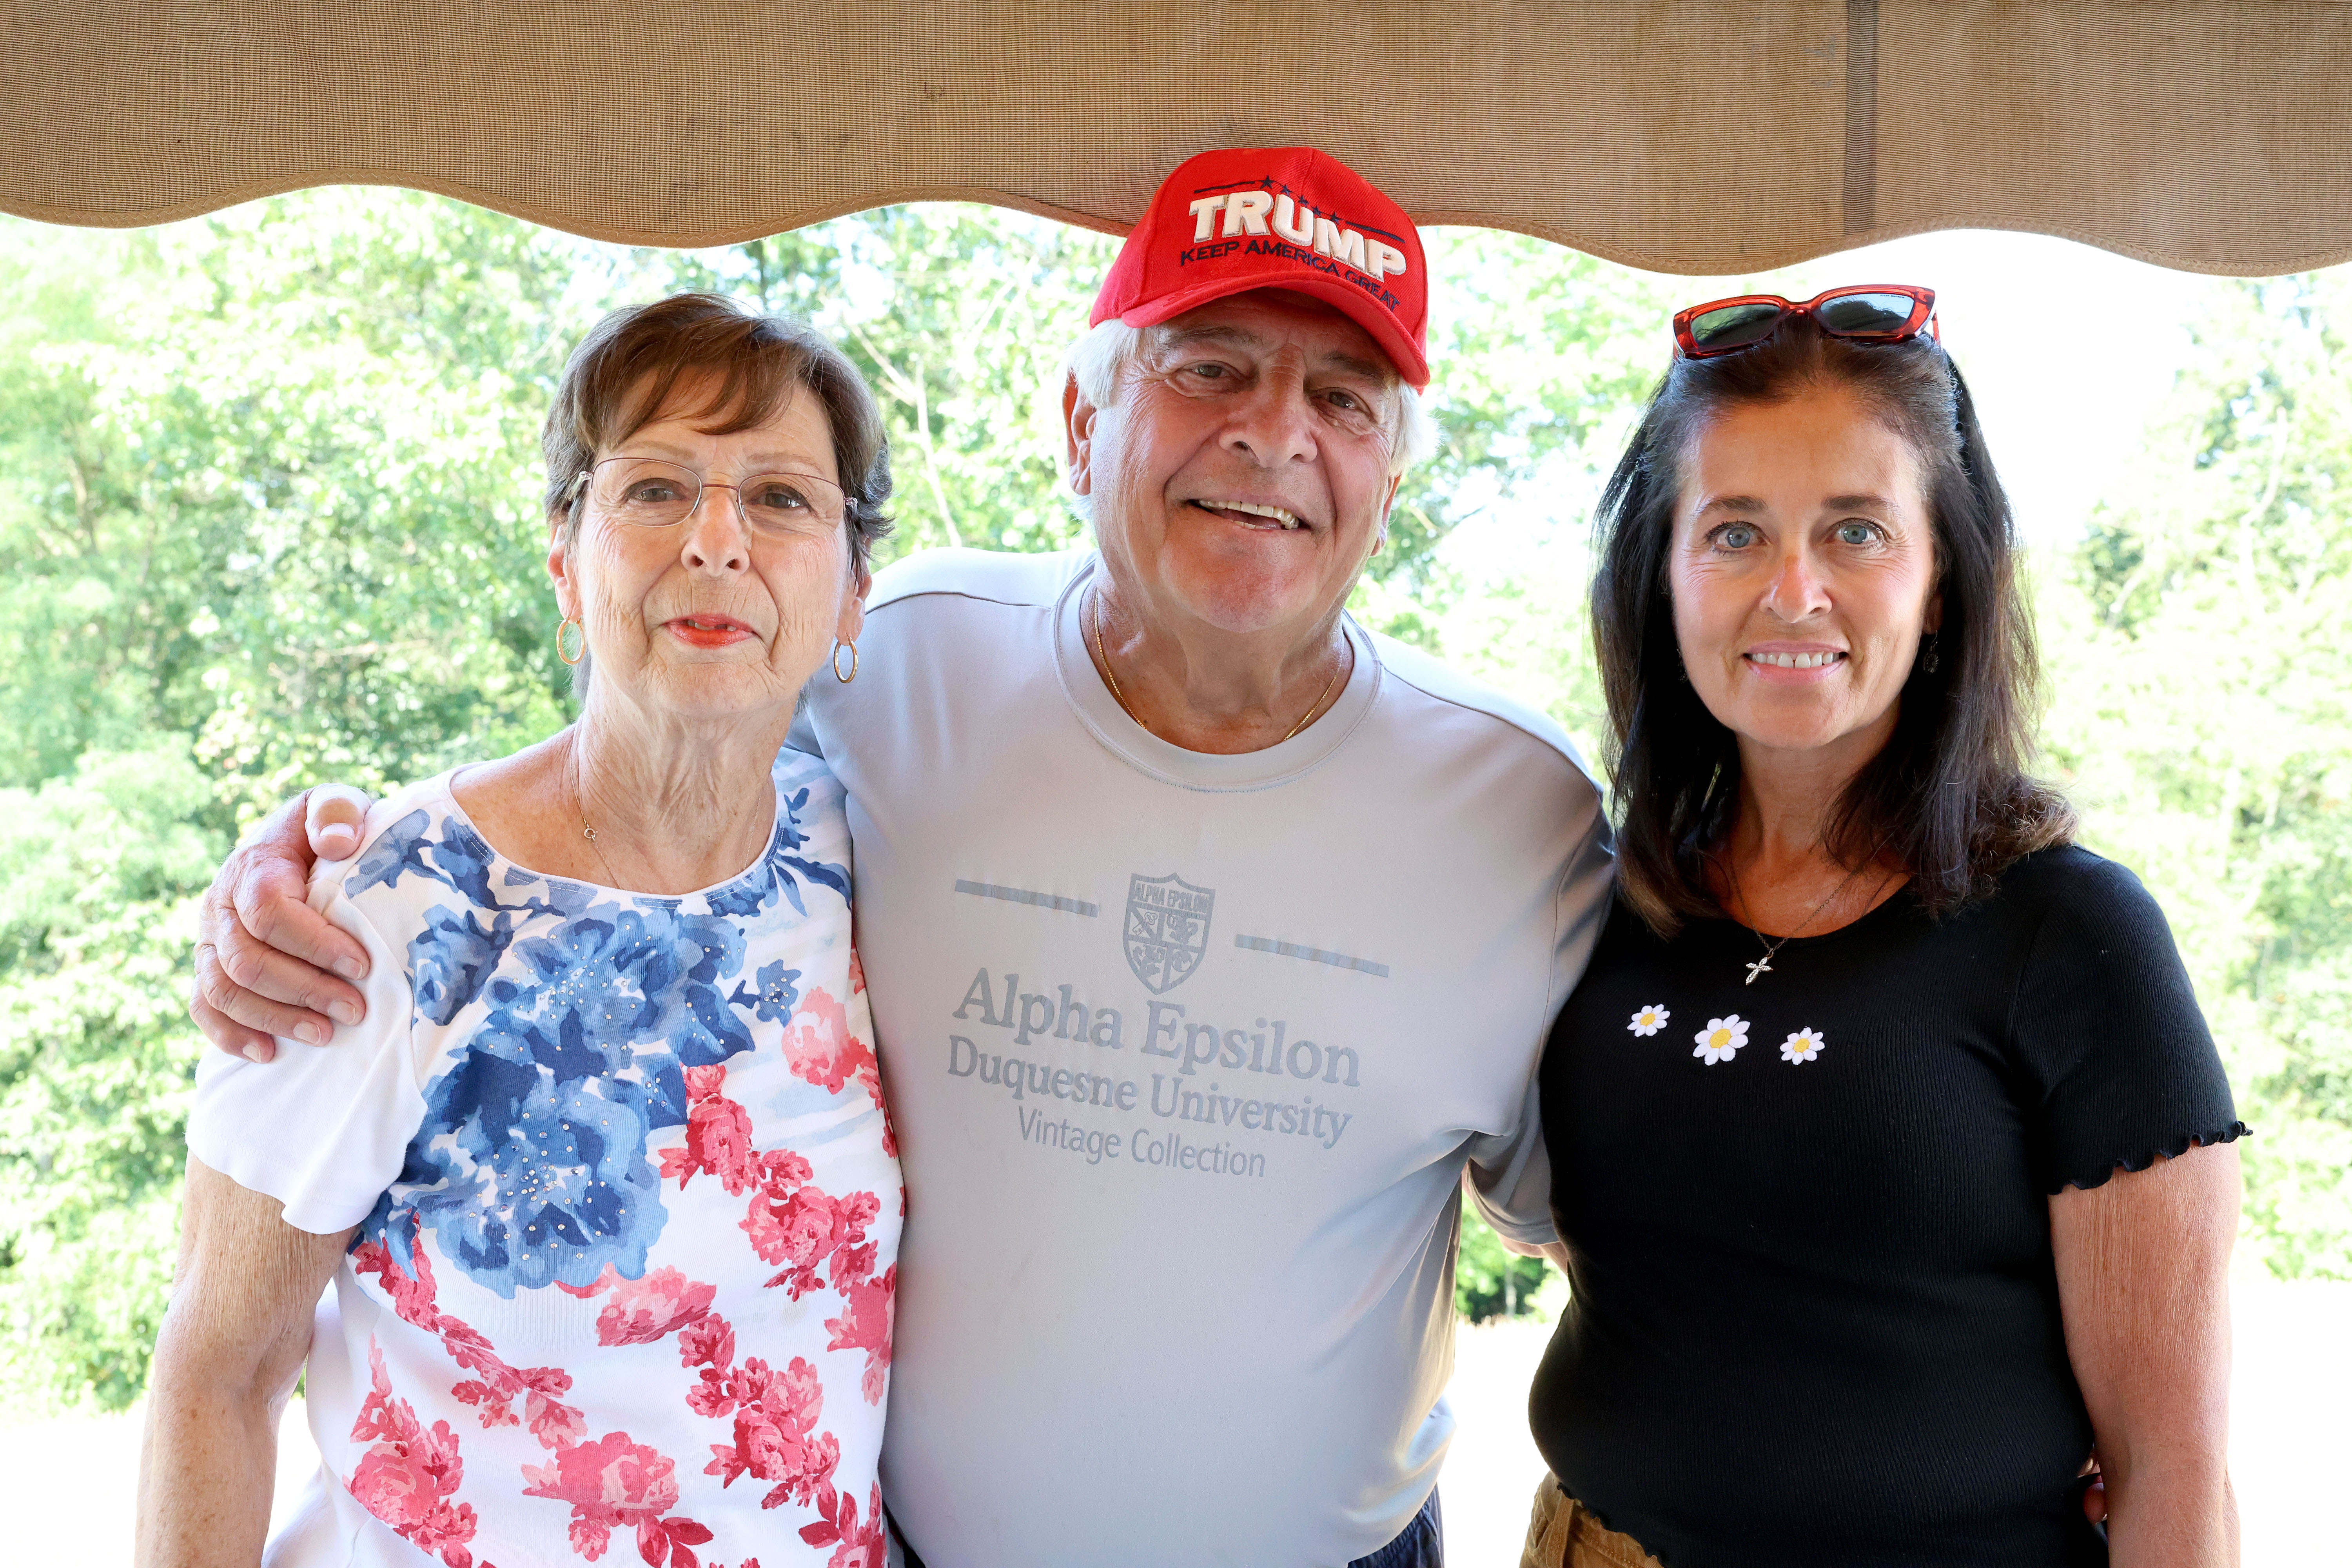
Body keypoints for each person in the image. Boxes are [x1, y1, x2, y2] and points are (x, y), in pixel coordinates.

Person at [183, 147, 1614, 1567]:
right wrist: (315, 865)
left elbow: (1635, 1216)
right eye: (1209, 366)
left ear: (1394, 477)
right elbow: (644, 744)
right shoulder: (912, 662)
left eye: (1344, 398)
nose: (1273, 432)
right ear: (1079, 418)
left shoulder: (1521, 815)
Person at [139, 294, 904, 1568]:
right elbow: (216, 1381)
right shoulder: (397, 903)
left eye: (782, 499)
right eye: (656, 489)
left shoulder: (866, 854)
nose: (718, 541)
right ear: (566, 558)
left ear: (852, 592)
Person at [1517, 288, 2245, 1568]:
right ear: (1666, 577)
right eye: (1734, 532)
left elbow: (2171, 1471)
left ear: (1945, 585)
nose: (1794, 592)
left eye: (1856, 531)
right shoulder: (1603, 900)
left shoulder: (2071, 938)